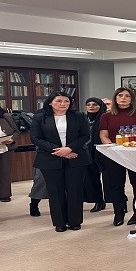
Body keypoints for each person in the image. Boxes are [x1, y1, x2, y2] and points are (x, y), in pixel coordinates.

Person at [30, 92, 91, 232]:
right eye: (59, 101)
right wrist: (59, 151)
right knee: (55, 191)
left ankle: (75, 221)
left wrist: (69, 149)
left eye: (66, 101)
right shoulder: (40, 117)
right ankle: (60, 222)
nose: (63, 104)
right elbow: (35, 138)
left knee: (75, 190)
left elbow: (85, 135)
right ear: (50, 103)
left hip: (76, 156)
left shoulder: (79, 116)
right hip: (49, 158)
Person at [98, 87, 136, 226]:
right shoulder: (106, 116)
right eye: (120, 95)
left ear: (132, 99)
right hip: (114, 154)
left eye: (127, 96)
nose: (123, 98)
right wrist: (114, 149)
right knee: (116, 184)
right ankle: (119, 213)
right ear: (115, 98)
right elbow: (103, 135)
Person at [82, 97, 107, 213]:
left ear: (100, 106)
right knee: (92, 177)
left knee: (109, 178)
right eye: (89, 105)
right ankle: (98, 201)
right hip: (87, 152)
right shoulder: (83, 118)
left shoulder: (104, 117)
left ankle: (118, 202)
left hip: (103, 151)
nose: (91, 107)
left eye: (94, 104)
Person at [0, 97, 19, 202]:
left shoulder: (6, 117)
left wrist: (11, 139)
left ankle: (4, 195)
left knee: (4, 173)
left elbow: (16, 132)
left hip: (5, 149)